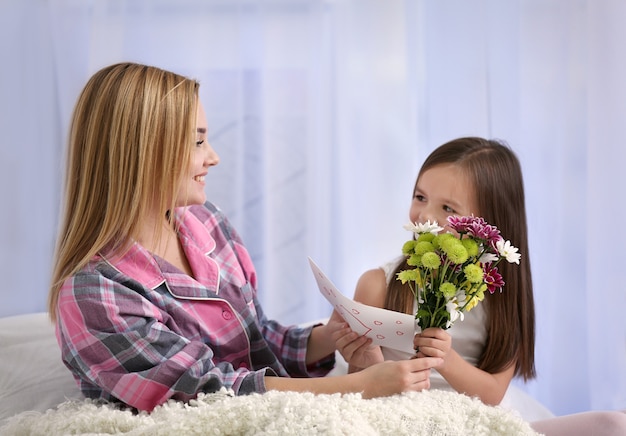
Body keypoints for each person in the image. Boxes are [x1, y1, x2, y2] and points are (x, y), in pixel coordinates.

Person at [46, 62, 442, 412]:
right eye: (198, 140)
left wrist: (330, 337)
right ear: (144, 151)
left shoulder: (207, 223)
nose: (213, 156)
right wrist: (352, 388)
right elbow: (205, 392)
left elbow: (255, 336)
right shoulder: (93, 293)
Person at [332, 137, 626, 435]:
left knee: (614, 424)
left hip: (472, 423)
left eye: (448, 208)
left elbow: (493, 394)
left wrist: (447, 360)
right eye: (420, 197)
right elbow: (361, 395)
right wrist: (363, 361)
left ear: (487, 225)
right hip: (399, 421)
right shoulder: (378, 284)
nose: (425, 217)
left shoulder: (502, 300)